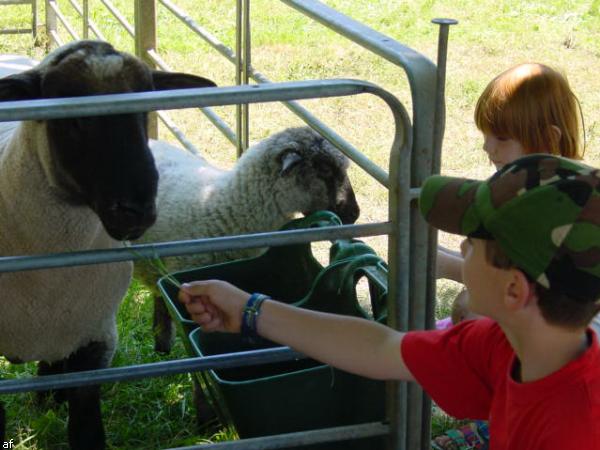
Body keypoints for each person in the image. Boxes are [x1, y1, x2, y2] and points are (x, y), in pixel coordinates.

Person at [178, 154, 600, 450]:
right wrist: (251, 310)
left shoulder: (576, 429)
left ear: (514, 291)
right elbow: (383, 348)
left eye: (473, 242)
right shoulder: (504, 345)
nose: (462, 247)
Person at [436, 62, 585, 332]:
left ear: (548, 140)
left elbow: (527, 290)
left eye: (502, 138)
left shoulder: (562, 207)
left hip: (544, 338)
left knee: (472, 313)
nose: (487, 147)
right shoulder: (529, 190)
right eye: (486, 135)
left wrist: (446, 267)